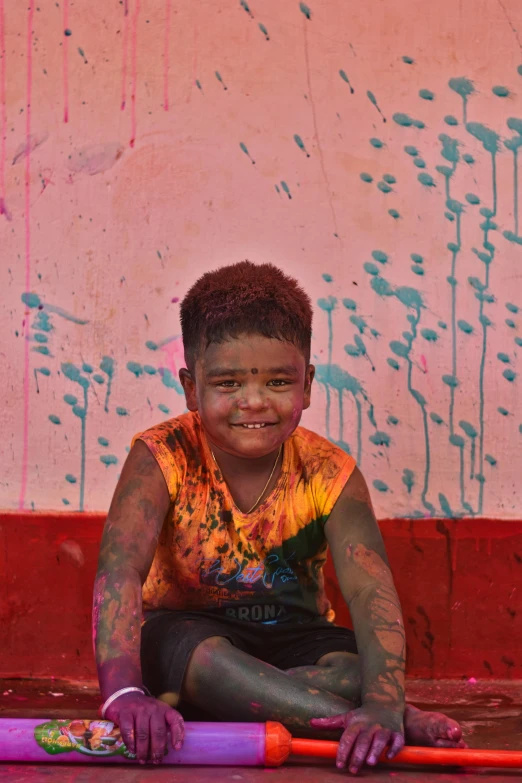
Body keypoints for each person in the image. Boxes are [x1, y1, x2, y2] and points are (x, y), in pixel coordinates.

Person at [92, 261, 465, 774]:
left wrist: (379, 695)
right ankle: (385, 723)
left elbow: (368, 592)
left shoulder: (330, 471)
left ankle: (327, 707)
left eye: (277, 381)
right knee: (208, 665)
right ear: (190, 387)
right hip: (190, 635)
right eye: (226, 383)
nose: (254, 401)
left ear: (307, 385)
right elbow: (120, 570)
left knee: (358, 670)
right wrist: (124, 694)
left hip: (298, 637)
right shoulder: (161, 455)